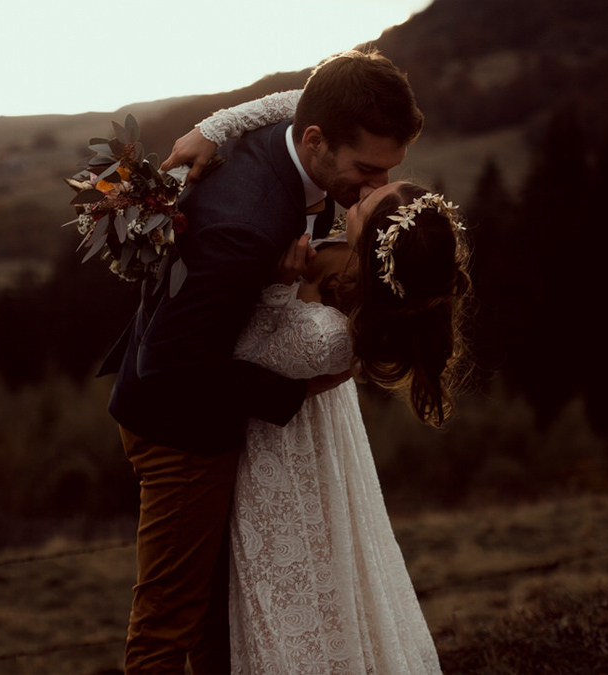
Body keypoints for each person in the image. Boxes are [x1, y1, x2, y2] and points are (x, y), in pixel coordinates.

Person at [97, 49, 424, 673]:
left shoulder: (302, 146)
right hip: (180, 431)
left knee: (222, 618)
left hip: (206, 407)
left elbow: (294, 98)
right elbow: (171, 366)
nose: (376, 188)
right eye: (366, 169)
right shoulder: (245, 225)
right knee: (172, 619)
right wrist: (294, 393)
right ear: (317, 140)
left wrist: (215, 124)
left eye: (387, 171)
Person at [166, 93, 469, 673]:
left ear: (378, 246)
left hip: (281, 459)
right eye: (373, 176)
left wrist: (283, 287)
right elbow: (315, 94)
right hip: (316, 440)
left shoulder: (329, 336)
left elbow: (246, 350)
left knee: (286, 591)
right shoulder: (357, 276)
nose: (366, 189)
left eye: (373, 197)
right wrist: (215, 126)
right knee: (327, 581)